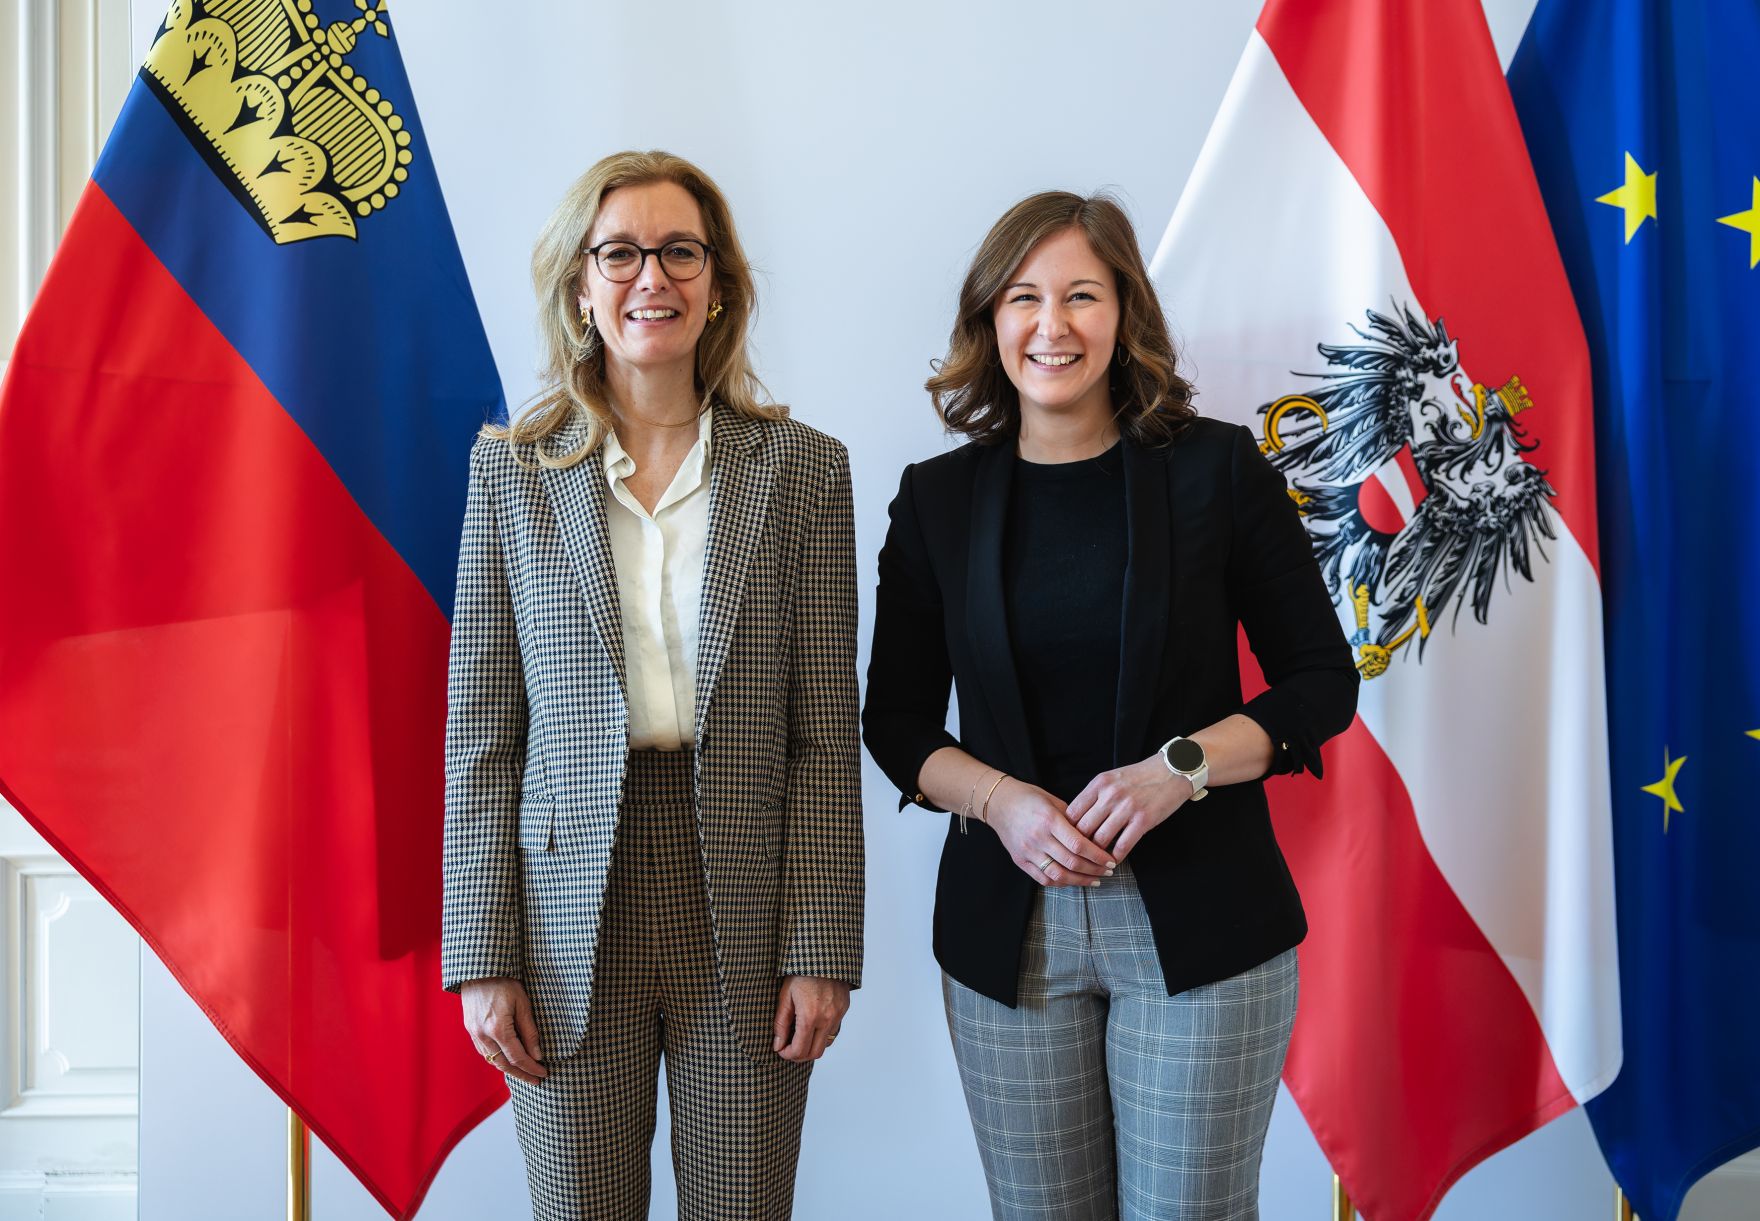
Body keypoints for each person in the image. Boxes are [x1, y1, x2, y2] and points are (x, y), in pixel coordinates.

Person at [862, 190, 1358, 1221]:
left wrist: (1177, 770)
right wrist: (1001, 802)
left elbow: (1319, 678)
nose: (1052, 326)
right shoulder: (936, 502)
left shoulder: (1217, 471)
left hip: (1202, 922)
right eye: (1024, 298)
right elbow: (896, 723)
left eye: (1081, 296)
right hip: (1010, 933)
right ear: (987, 322)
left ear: (1124, 314)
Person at [442, 149, 863, 1221]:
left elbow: (822, 734)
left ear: (717, 282)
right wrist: (481, 955)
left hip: (749, 902)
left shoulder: (805, 471)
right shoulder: (511, 471)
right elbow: (482, 735)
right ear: (581, 286)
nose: (651, 279)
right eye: (619, 252)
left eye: (679, 251)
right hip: (562, 911)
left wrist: (821, 947)